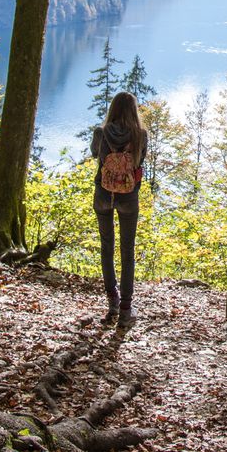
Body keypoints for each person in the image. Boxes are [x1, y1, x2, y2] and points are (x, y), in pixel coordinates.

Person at [90, 91, 148, 327]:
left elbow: (96, 155)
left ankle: (112, 299)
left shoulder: (101, 133)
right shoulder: (140, 135)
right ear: (133, 111)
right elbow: (140, 161)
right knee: (127, 251)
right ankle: (126, 308)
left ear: (113, 109)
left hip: (103, 195)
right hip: (128, 199)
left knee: (107, 246)